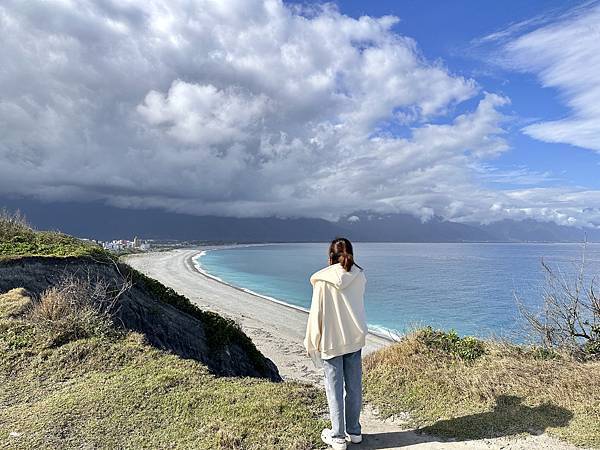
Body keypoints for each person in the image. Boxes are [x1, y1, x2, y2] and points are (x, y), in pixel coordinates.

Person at [304, 237, 368, 450]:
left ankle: (338, 436)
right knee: (354, 387)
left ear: (329, 256)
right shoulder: (359, 276)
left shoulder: (322, 280)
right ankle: (355, 431)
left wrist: (312, 340)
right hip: (354, 338)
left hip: (332, 340)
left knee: (334, 389)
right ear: (351, 254)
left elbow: (317, 314)